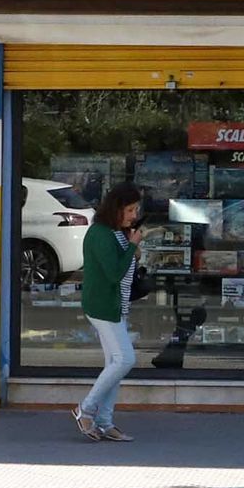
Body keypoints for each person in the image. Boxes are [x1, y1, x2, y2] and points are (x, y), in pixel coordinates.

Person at [71, 182, 143, 443]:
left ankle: (104, 422)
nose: (134, 216)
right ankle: (86, 409)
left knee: (114, 364)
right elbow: (114, 274)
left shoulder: (114, 232)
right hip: (104, 307)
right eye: (130, 210)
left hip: (115, 307)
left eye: (136, 210)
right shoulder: (100, 234)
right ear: (116, 209)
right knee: (125, 360)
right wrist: (132, 247)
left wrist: (132, 251)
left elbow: (121, 267)